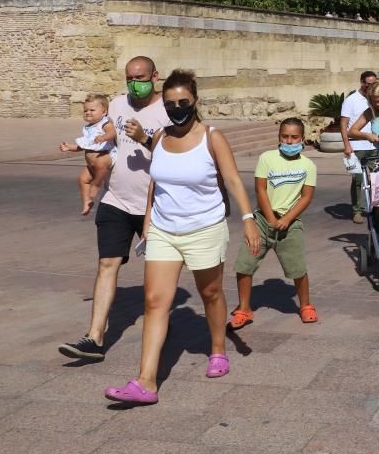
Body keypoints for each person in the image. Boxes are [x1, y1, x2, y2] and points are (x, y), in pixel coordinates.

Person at [103, 69, 261, 405]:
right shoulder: (160, 137)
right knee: (155, 302)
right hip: (164, 229)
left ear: (195, 101)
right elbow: (155, 183)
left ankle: (218, 348)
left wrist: (248, 220)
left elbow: (232, 180)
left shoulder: (212, 137)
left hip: (204, 228)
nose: (177, 108)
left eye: (183, 102)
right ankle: (146, 382)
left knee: (211, 293)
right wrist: (147, 222)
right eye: (171, 103)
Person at [59, 56, 169, 363]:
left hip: (155, 204)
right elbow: (102, 139)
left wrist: (145, 139)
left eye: (141, 77)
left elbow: (177, 153)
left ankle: (161, 321)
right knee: (107, 264)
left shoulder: (167, 110)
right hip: (116, 200)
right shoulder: (118, 105)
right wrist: (90, 163)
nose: (135, 83)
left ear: (155, 76)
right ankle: (94, 337)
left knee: (156, 273)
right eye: (130, 77)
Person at [229, 118, 317, 331]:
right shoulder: (266, 158)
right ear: (279, 137)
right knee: (244, 264)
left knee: (297, 268)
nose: (289, 141)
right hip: (263, 219)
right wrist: (271, 219)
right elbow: (260, 189)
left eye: (294, 137)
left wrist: (287, 219)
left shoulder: (308, 165)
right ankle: (244, 308)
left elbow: (306, 196)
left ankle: (305, 305)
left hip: (290, 222)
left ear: (302, 139)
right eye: (284, 137)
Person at [59, 93, 117, 216]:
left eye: (92, 110)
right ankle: (87, 201)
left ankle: (96, 185)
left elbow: (112, 133)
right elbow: (83, 146)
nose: (88, 112)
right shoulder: (88, 128)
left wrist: (104, 137)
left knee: (101, 163)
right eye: (85, 110)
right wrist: (69, 147)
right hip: (91, 164)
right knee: (82, 179)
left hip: (106, 156)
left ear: (104, 112)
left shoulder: (105, 123)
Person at [340, 71, 377, 224]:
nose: (371, 87)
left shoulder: (375, 99)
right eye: (368, 84)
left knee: (377, 178)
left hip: (374, 145)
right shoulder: (351, 100)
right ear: (362, 82)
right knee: (358, 180)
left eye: (374, 84)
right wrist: (347, 145)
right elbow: (343, 124)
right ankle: (356, 210)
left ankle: (377, 208)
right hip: (356, 145)